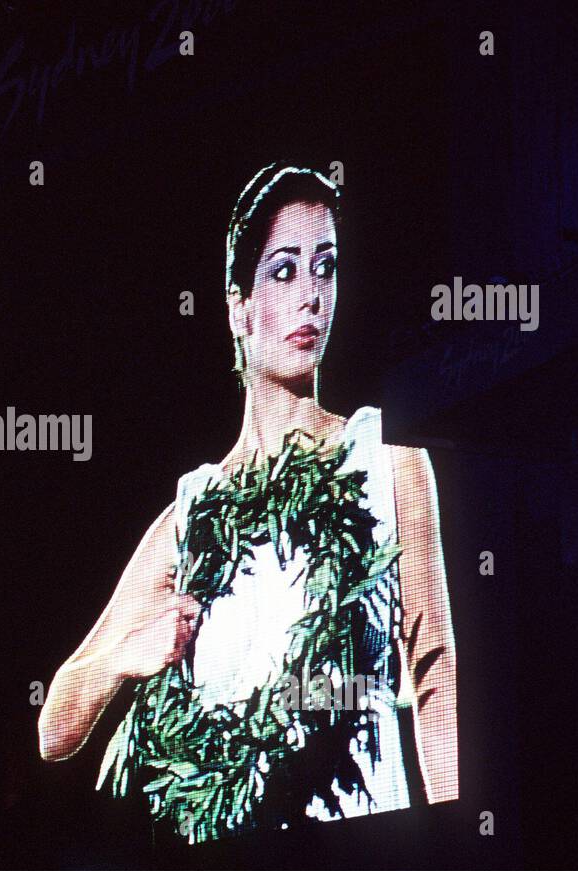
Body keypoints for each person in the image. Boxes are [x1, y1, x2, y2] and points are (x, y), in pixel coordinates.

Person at [38, 163, 458, 822]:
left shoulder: (388, 460)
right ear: (238, 307)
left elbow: (433, 671)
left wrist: (459, 842)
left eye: (326, 266)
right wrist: (128, 655)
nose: (311, 295)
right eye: (284, 271)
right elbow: (54, 728)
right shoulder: (193, 515)